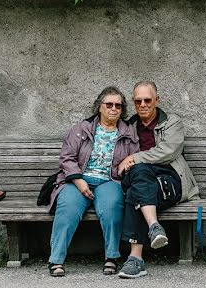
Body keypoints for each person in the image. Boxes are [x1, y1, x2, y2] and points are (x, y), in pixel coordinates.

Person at [46, 86, 139, 277]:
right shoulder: (82, 128)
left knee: (112, 206)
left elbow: (135, 158)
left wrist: (127, 164)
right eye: (109, 104)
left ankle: (111, 257)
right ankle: (56, 260)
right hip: (78, 179)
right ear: (99, 107)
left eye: (118, 106)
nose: (113, 109)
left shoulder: (129, 133)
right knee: (68, 207)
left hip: (109, 180)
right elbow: (67, 157)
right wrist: (78, 180)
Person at [116, 80, 200, 279]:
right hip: (140, 179)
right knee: (139, 175)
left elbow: (168, 151)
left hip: (170, 179)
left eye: (147, 100)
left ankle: (135, 259)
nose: (143, 105)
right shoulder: (128, 127)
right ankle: (154, 226)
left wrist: (135, 158)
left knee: (135, 191)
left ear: (157, 100)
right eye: (138, 101)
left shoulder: (172, 122)